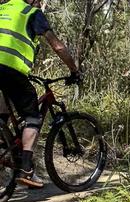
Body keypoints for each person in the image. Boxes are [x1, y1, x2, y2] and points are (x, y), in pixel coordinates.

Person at [0, 0, 80, 188]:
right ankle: (26, 168)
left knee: (3, 117)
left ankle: (7, 157)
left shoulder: (2, 8)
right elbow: (58, 46)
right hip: (10, 71)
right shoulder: (31, 13)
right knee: (33, 117)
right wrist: (74, 70)